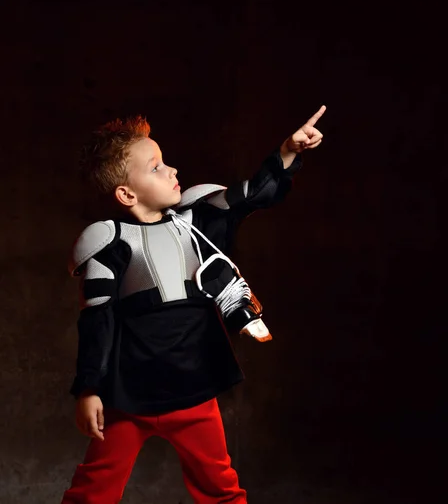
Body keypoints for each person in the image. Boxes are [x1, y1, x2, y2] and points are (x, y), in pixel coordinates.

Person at [61, 105, 326, 503]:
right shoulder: (107, 242)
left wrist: (289, 150)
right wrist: (89, 390)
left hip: (194, 388)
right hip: (128, 397)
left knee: (220, 489)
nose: (172, 172)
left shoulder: (197, 217)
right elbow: (97, 322)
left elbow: (256, 193)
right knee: (93, 491)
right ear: (126, 193)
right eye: (155, 168)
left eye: (165, 162)